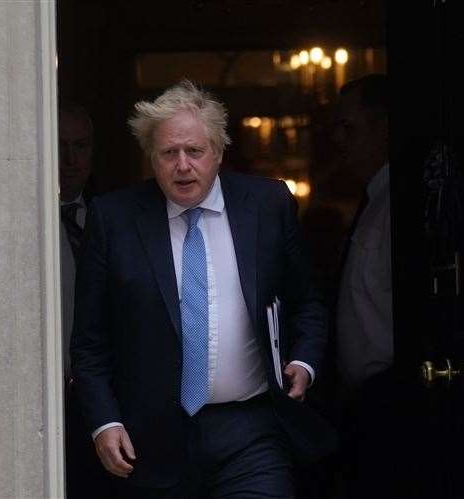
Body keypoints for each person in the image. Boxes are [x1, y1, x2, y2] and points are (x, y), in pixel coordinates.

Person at [70, 80, 335, 498]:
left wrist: (303, 360)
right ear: (150, 158)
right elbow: (90, 341)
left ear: (218, 153)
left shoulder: (267, 205)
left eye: (194, 151)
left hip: (251, 432)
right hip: (150, 438)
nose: (182, 165)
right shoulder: (114, 219)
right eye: (168, 153)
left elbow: (308, 301)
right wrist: (105, 421)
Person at [330, 74, 393, 497]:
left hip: (391, 400)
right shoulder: (375, 201)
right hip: (360, 405)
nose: (339, 141)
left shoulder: (395, 206)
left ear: (383, 127)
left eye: (349, 128)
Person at [58, 103, 116, 498]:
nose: (69, 158)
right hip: (47, 394)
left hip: (108, 398)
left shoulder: (112, 217)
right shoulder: (18, 219)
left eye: (80, 145)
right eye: (59, 145)